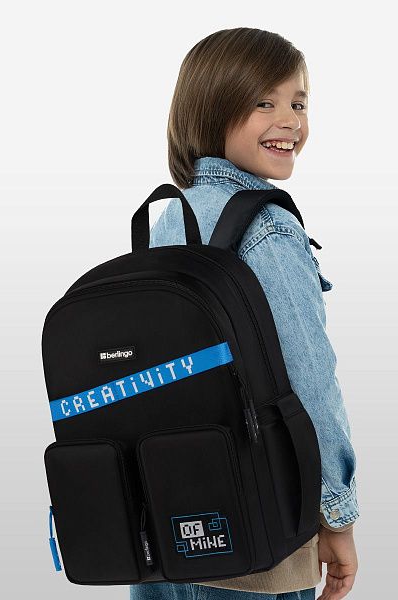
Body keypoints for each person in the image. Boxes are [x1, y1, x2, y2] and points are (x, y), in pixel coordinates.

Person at [130, 27, 359, 600]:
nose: (290, 121)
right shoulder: (267, 228)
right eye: (264, 102)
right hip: (256, 544)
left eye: (298, 103)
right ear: (213, 107)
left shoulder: (168, 220)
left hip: (160, 536)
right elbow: (309, 380)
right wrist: (337, 514)